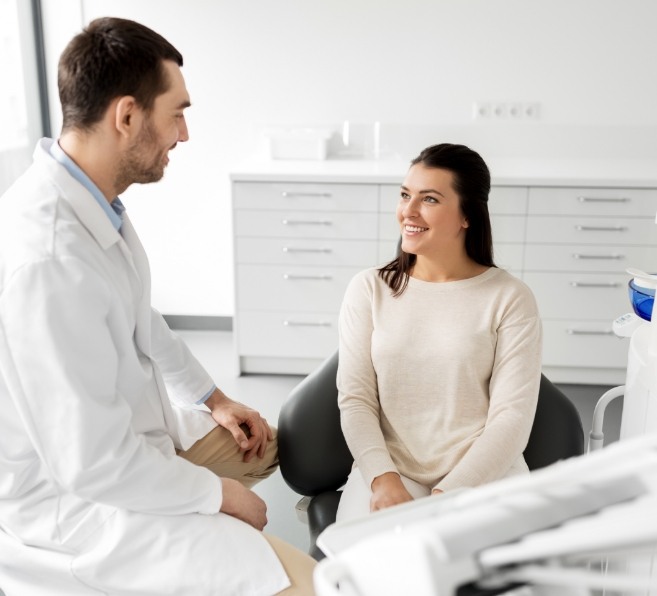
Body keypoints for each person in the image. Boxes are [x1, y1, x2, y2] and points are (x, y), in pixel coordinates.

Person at [0, 17, 315, 595]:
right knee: (308, 585)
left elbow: (141, 316)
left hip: (134, 438)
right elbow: (92, 463)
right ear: (126, 116)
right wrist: (220, 498)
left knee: (262, 446)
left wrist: (214, 399)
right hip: (79, 506)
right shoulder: (48, 259)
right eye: (177, 112)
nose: (184, 134)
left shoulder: (95, 204)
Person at [335, 143, 543, 521]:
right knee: (359, 570)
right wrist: (382, 478)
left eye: (429, 199)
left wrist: (447, 495)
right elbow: (356, 399)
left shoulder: (510, 298)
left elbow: (511, 418)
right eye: (404, 195)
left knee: (492, 577)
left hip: (483, 474)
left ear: (467, 215)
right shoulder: (369, 289)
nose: (408, 212)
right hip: (390, 473)